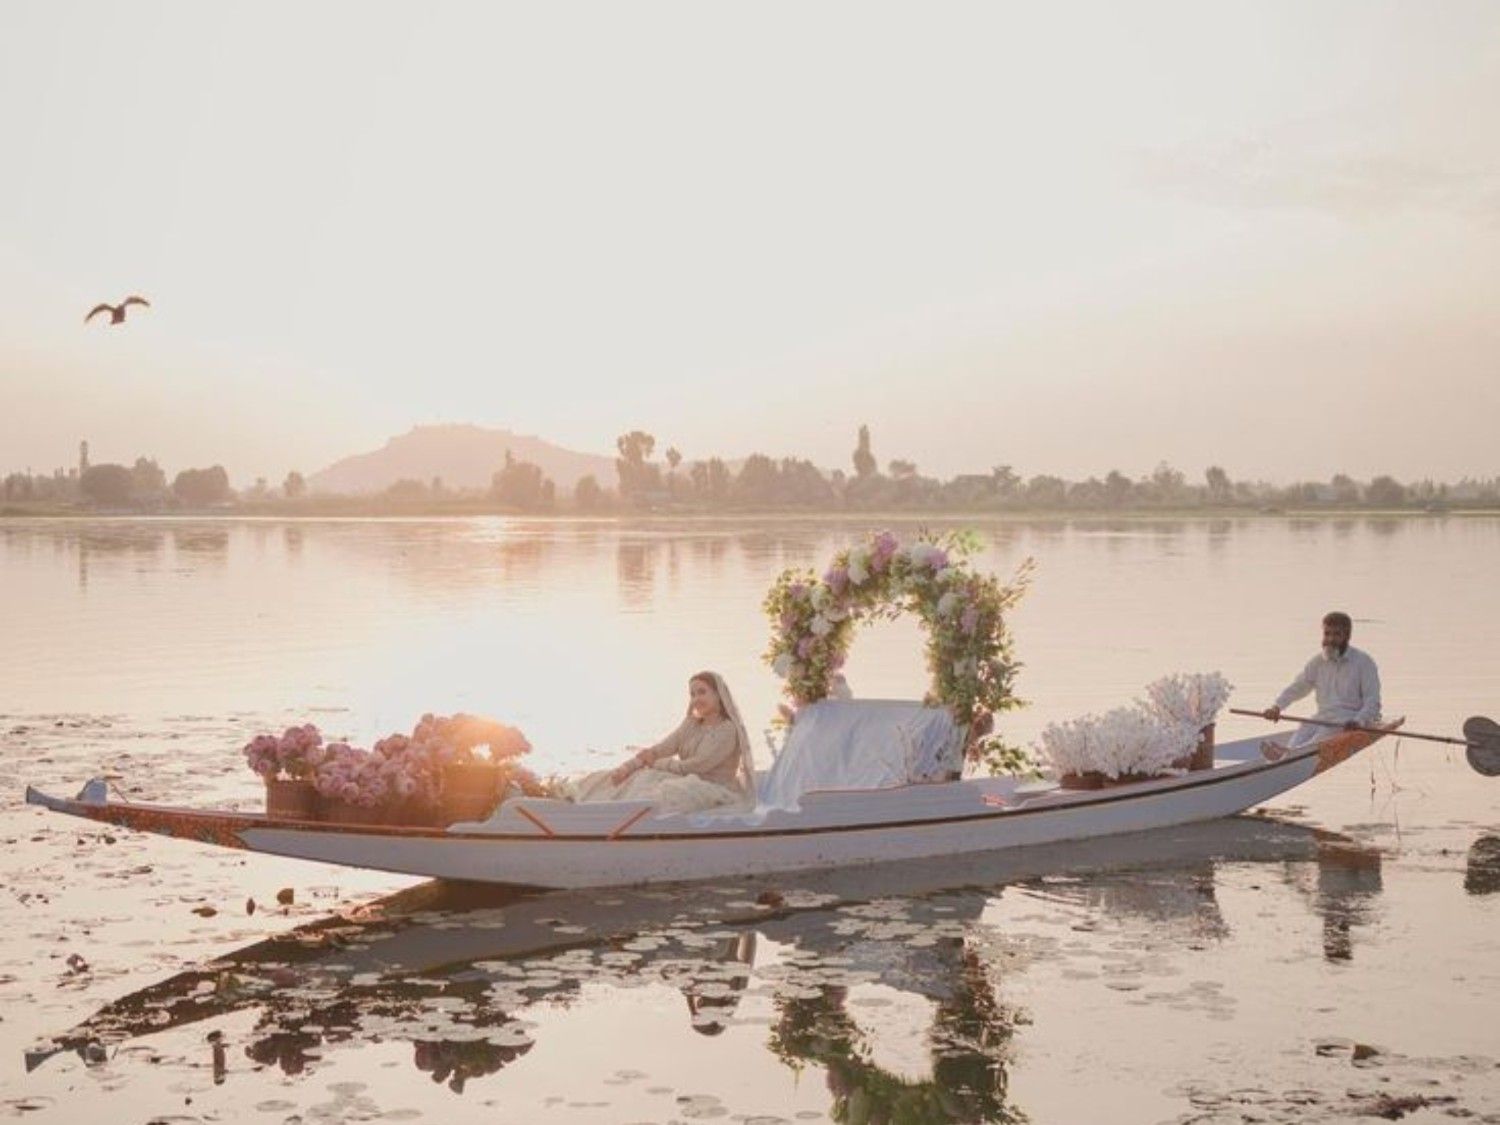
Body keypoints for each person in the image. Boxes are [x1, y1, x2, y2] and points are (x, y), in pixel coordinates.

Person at [558, 671, 757, 814]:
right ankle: (572, 804)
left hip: (714, 788)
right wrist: (628, 767)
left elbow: (696, 766)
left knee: (662, 788)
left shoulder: (727, 730)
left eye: (702, 692)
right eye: (692, 694)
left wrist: (653, 763)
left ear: (718, 696)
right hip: (686, 778)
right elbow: (662, 748)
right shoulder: (692, 724)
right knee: (619, 778)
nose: (696, 699)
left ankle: (617, 821)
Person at [1261, 611, 1381, 751]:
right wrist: (1277, 707)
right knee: (1304, 728)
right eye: (1327, 633)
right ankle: (1289, 752)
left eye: (1336, 634)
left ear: (1347, 636)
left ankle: (1290, 755)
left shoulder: (1364, 662)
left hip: (1348, 720)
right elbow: (1298, 687)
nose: (1330, 639)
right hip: (1322, 717)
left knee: (1321, 737)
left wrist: (1358, 721)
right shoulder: (1318, 662)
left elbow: (1373, 702)